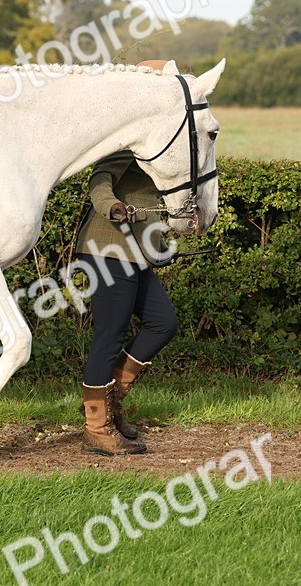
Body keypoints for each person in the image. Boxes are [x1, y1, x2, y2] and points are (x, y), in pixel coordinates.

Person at [72, 62, 181, 456]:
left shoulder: (160, 141)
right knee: (109, 336)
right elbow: (99, 180)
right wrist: (114, 206)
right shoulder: (128, 141)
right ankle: (96, 427)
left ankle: (112, 400)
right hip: (107, 246)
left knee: (162, 323)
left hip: (135, 252)